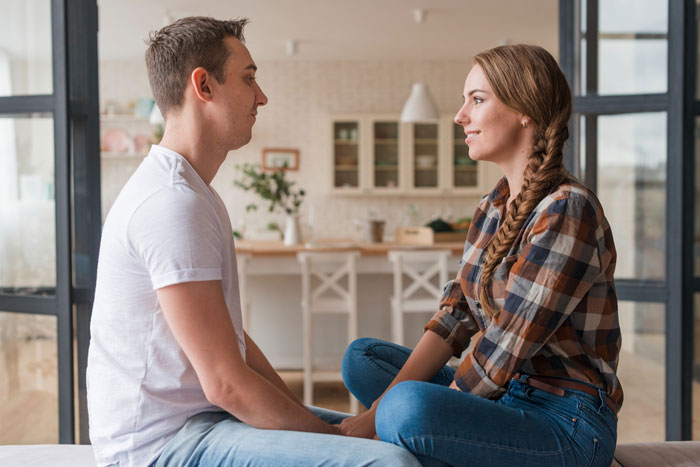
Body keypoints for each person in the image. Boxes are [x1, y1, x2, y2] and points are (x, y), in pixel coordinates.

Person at [86, 16, 420, 467]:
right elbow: (225, 383)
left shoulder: (192, 194)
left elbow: (229, 342)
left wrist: (308, 420)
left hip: (203, 420)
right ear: (203, 86)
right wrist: (324, 437)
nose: (261, 97)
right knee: (387, 463)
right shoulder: (170, 204)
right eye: (249, 80)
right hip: (159, 446)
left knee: (392, 437)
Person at [339, 44, 623, 467]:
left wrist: (375, 418)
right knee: (362, 359)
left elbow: (505, 347)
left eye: (477, 100)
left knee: (404, 407)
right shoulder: (493, 207)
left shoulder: (567, 209)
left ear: (525, 109)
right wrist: (382, 413)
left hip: (568, 421)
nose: (460, 117)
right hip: (508, 396)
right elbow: (454, 317)